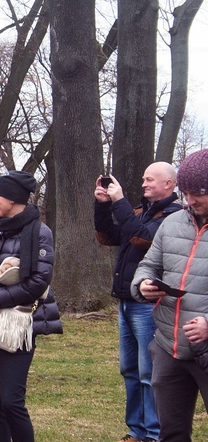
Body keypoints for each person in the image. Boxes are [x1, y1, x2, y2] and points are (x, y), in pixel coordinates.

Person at [0, 170, 60, 442]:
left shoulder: (40, 233)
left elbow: (39, 280)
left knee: (10, 401)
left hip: (16, 324)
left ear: (14, 198)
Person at [94, 162, 180, 442]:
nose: (144, 184)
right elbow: (109, 237)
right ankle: (136, 430)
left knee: (148, 372)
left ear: (168, 184)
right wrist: (104, 205)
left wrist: (120, 202)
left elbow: (141, 238)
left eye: (149, 180)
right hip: (126, 301)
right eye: (143, 179)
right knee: (129, 369)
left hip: (148, 304)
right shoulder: (142, 213)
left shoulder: (174, 217)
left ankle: (154, 434)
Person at [131, 148, 208, 442]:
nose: (189, 200)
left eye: (197, 193)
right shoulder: (172, 223)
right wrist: (143, 285)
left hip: (205, 348)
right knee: (171, 433)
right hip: (168, 348)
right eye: (185, 192)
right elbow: (149, 264)